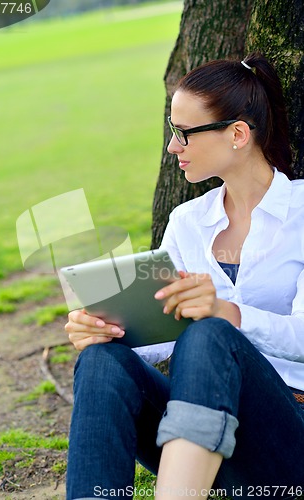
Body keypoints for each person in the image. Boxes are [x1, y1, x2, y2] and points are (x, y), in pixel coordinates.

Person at [64, 52, 304, 500]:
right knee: (101, 362)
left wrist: (226, 313)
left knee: (211, 333)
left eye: (184, 134)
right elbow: (164, 332)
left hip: (289, 439)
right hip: (199, 431)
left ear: (237, 134)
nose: (173, 147)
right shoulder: (188, 221)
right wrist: (104, 328)